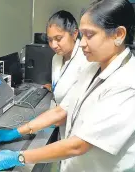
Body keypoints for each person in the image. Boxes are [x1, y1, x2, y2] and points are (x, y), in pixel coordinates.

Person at [0, 0, 135, 171]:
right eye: (82, 35)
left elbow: (79, 145)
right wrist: (17, 131)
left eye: (89, 35)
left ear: (118, 35)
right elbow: (63, 110)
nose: (82, 43)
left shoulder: (132, 85)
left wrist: (19, 156)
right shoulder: (93, 67)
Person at [43, 10, 90, 139]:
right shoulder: (56, 58)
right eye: (50, 40)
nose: (53, 45)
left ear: (74, 34)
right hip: (60, 123)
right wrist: (54, 88)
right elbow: (64, 83)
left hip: (77, 130)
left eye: (58, 39)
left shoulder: (85, 60)